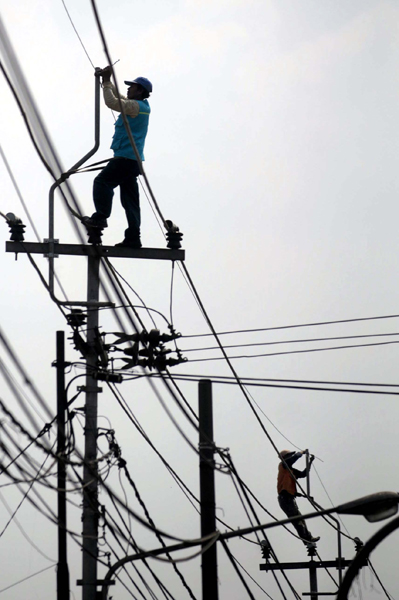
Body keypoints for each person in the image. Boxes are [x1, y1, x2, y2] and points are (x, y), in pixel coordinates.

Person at [83, 66, 152, 248]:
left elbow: (112, 102)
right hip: (132, 161)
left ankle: (100, 218)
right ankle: (133, 237)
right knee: (130, 200)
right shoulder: (141, 107)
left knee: (102, 182)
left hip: (124, 159)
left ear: (140, 91)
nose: (128, 89)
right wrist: (107, 81)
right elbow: (120, 97)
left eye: (132, 87)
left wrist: (106, 83)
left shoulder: (135, 106)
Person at [277, 449, 320, 544]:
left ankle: (308, 538)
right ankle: (306, 539)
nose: (290, 458)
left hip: (289, 499)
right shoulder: (283, 466)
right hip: (285, 499)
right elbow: (292, 459)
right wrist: (301, 452)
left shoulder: (291, 471)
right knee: (297, 520)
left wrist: (310, 462)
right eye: (289, 456)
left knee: (300, 519)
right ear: (284, 458)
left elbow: (303, 474)